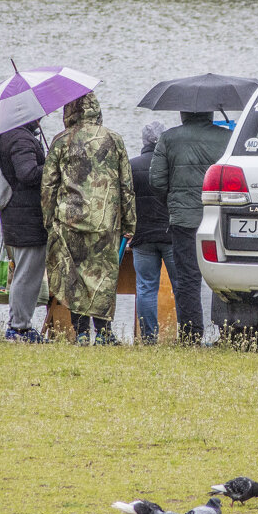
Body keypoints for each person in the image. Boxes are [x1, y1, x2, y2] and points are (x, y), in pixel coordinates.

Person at [41, 93, 136, 345]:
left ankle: (81, 333)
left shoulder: (60, 141)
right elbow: (126, 185)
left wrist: (49, 221)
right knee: (103, 277)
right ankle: (104, 334)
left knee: (75, 279)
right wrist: (130, 223)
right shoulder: (114, 139)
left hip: (69, 221)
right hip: (106, 222)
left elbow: (48, 185)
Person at [149, 111, 230, 343]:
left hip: (184, 220)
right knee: (225, 276)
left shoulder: (168, 138)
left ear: (183, 114)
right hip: (218, 220)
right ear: (211, 113)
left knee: (187, 279)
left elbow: (156, 181)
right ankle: (229, 332)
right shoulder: (227, 137)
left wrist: (172, 201)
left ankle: (190, 333)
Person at [0, 120, 49, 343]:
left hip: (16, 217)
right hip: (28, 219)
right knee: (27, 275)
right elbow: (27, 174)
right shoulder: (21, 139)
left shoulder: (7, 135)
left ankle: (18, 324)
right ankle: (19, 328)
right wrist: (52, 166)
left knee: (23, 274)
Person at [129, 120, 177, 343]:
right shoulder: (172, 166)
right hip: (170, 235)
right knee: (181, 285)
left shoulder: (132, 165)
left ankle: (149, 337)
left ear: (143, 141)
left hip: (142, 236)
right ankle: (188, 334)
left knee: (146, 287)